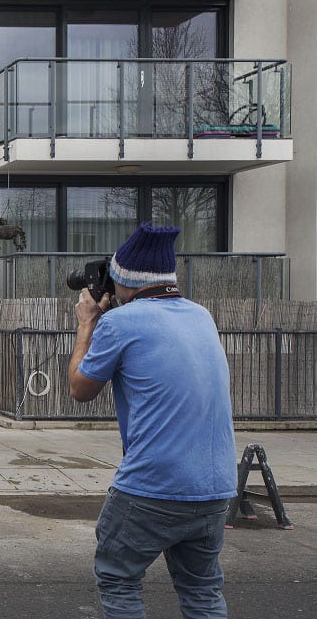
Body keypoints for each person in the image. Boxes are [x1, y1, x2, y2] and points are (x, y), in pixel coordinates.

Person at [68, 223, 236, 619]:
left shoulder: (119, 323)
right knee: (201, 590)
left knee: (119, 581)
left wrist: (86, 324)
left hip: (152, 487)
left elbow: (80, 388)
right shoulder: (202, 316)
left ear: (123, 280)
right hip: (214, 489)